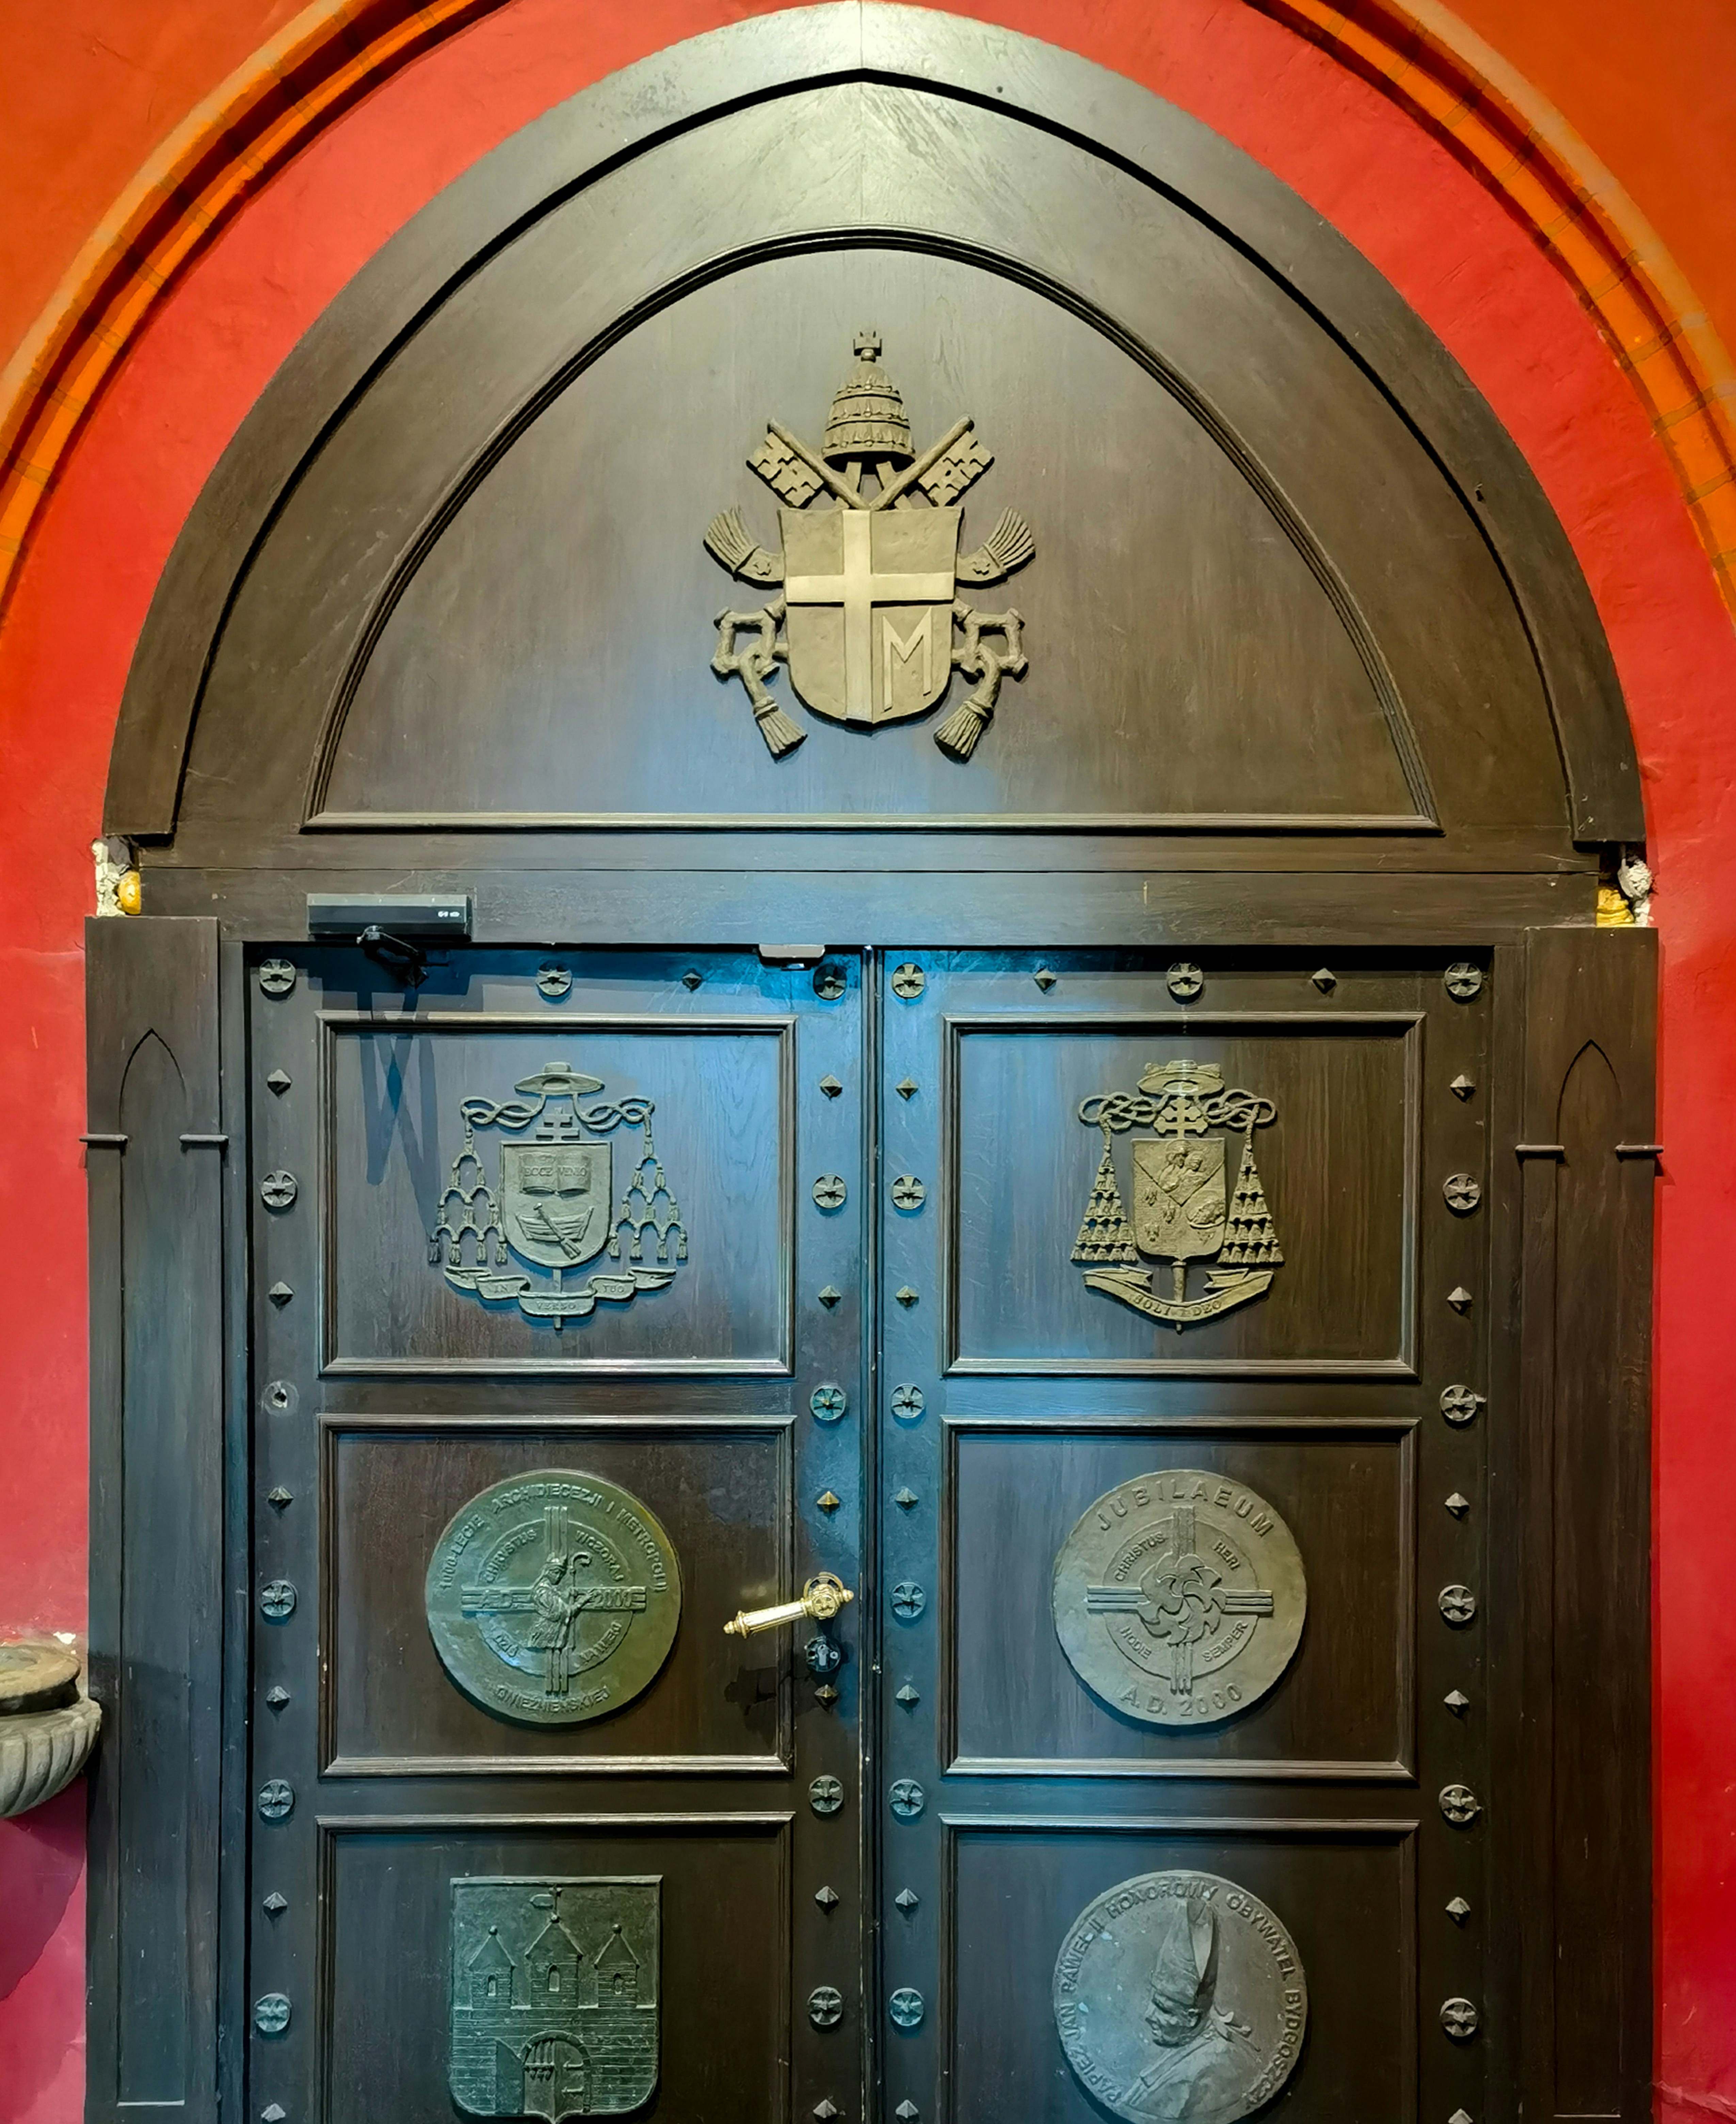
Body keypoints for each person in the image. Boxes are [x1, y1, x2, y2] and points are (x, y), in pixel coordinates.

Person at [1123, 1897, 1259, 2120]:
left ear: (1193, 2018)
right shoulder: (1188, 2047)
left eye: (1164, 2010)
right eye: (1154, 2003)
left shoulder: (1218, 2069)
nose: (1149, 2016)